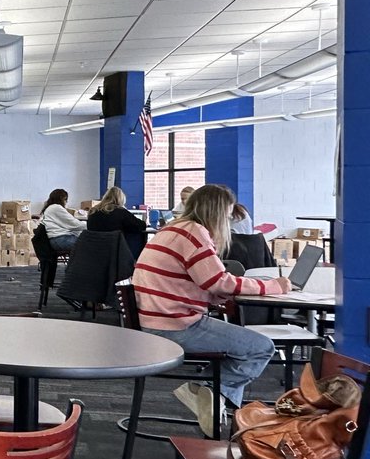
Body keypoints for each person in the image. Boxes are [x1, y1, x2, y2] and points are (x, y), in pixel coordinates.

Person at [132, 184, 287, 432]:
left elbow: (200, 282)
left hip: (156, 320)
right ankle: (208, 392)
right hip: (176, 325)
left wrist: (216, 294)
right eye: (228, 214)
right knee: (260, 348)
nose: (228, 221)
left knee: (242, 346)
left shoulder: (173, 229)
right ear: (218, 212)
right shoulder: (194, 234)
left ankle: (212, 400)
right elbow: (218, 281)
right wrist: (272, 286)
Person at [86, 186, 147, 259]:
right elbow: (141, 226)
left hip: (94, 252)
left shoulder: (92, 211)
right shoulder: (121, 212)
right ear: (121, 199)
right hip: (115, 252)